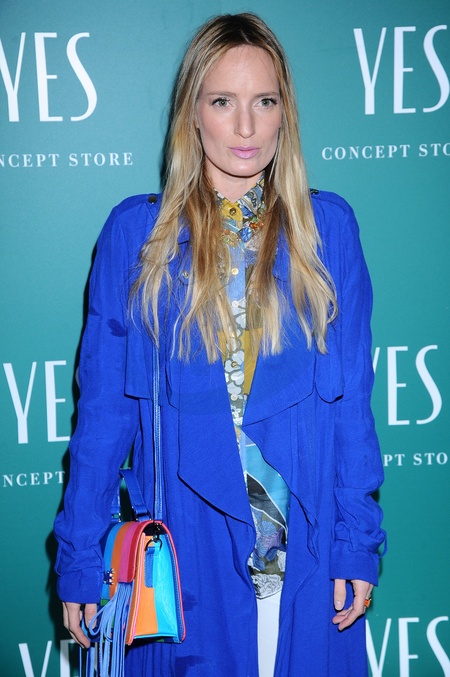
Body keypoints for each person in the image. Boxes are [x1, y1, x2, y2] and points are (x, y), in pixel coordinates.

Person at [54, 12, 386, 677]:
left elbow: (353, 409)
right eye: (223, 102)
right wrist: (81, 557)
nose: (246, 127)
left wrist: (356, 543)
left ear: (284, 114)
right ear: (193, 115)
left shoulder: (328, 232)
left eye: (264, 102)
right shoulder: (137, 237)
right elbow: (103, 421)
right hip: (186, 569)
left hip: (309, 562)